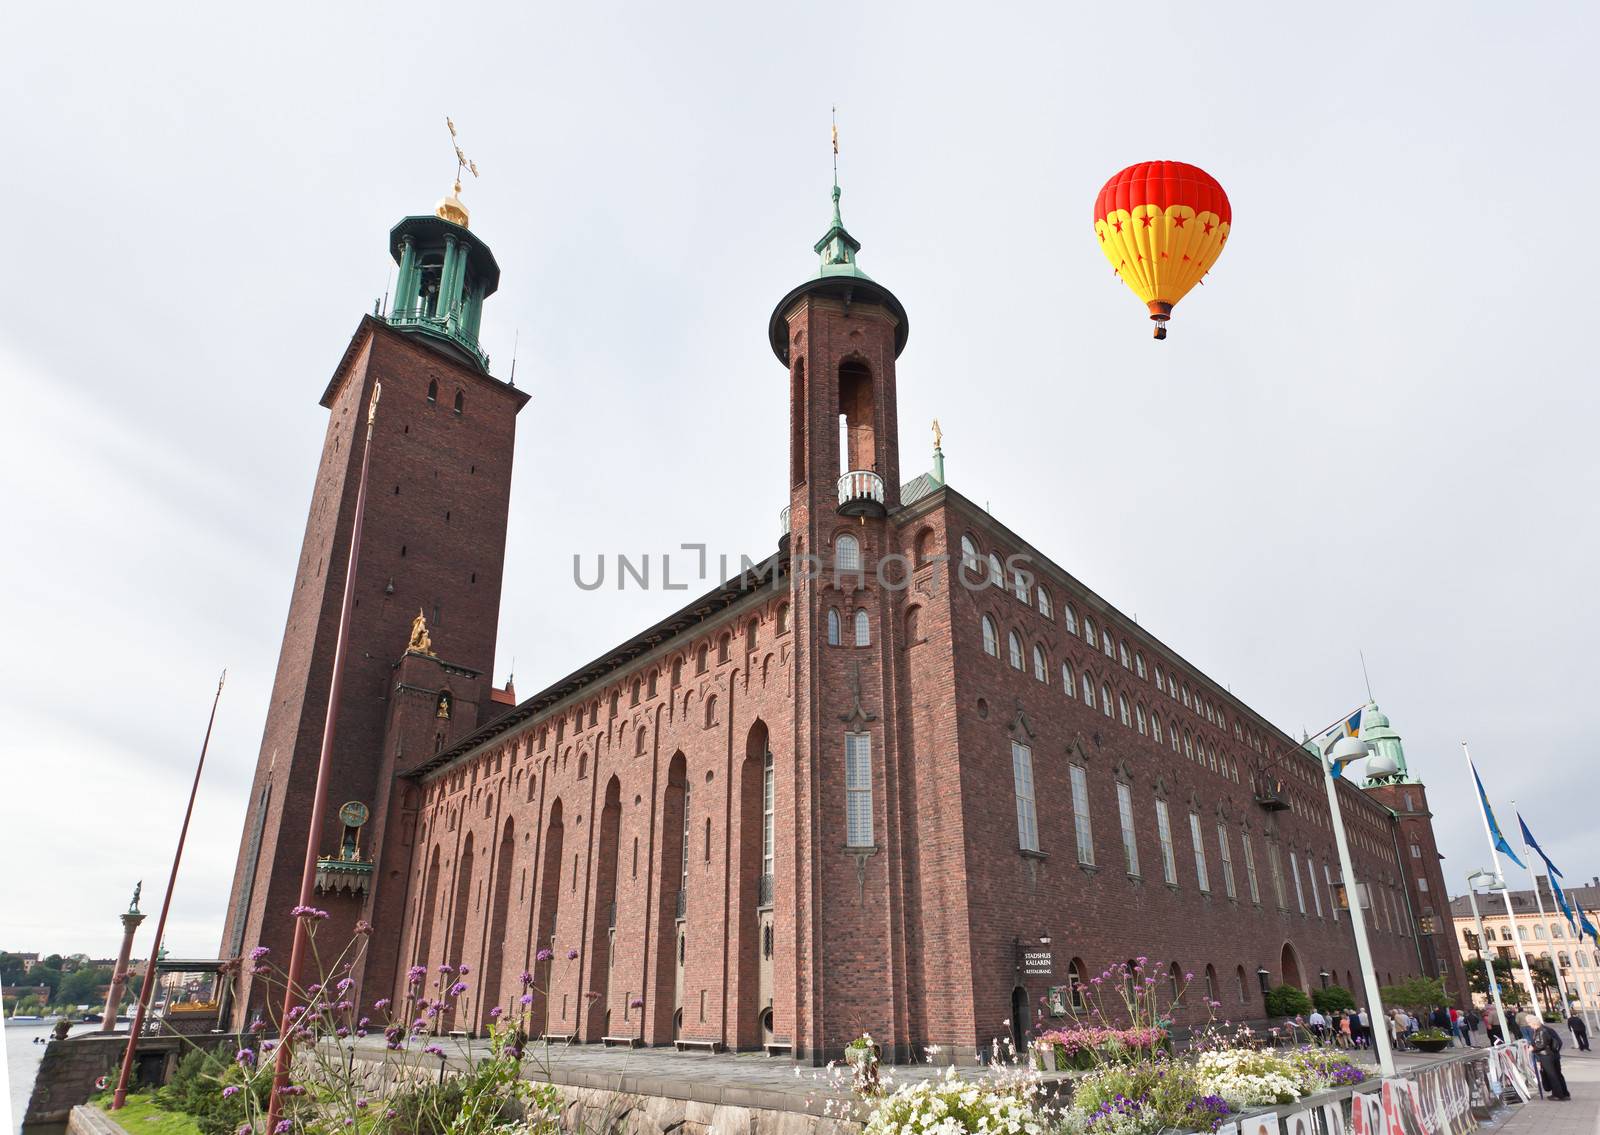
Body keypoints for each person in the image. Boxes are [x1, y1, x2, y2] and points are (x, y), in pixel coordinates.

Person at [1531, 1019, 1571, 1100]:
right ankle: (1564, 1093)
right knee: (1558, 1074)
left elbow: (1541, 1045)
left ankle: (1558, 1095)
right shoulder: (1548, 1029)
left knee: (1552, 1075)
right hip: (1554, 1055)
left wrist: (1533, 1049)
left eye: (1529, 1024)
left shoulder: (1542, 1031)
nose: (1530, 1026)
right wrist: (1555, 1052)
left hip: (1547, 1056)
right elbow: (1558, 1042)